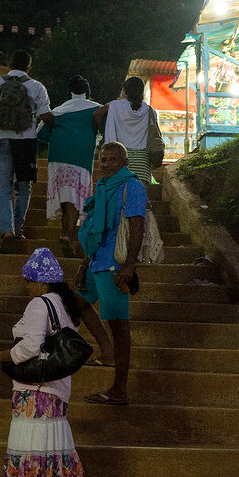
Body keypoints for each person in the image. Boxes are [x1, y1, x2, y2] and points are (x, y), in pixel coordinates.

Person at [0, 248, 91, 477]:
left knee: (30, 455)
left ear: (42, 282)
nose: (25, 284)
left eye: (29, 279)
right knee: (53, 450)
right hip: (56, 391)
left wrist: (0, 356)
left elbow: (31, 347)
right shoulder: (64, 305)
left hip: (35, 391)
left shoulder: (39, 304)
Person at [75, 142, 146, 406]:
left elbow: (137, 226)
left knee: (119, 327)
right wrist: (84, 264)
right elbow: (94, 228)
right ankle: (106, 351)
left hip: (114, 266)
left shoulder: (132, 187)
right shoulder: (102, 186)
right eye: (103, 159)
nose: (106, 164)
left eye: (113, 160)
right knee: (75, 304)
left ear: (124, 162)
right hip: (96, 262)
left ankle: (120, 389)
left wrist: (129, 267)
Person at [0, 49, 50, 253]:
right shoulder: (36, 86)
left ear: (9, 65)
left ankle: (7, 231)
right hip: (26, 142)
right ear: (29, 68)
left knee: (1, 187)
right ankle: (18, 228)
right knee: (23, 187)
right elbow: (45, 115)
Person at [37, 76, 101, 257]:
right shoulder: (96, 108)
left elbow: (41, 133)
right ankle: (68, 235)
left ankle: (65, 233)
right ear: (87, 91)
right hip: (80, 157)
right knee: (73, 197)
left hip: (57, 156)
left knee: (65, 197)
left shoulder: (59, 110)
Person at [93, 75, 152, 188]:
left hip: (118, 160)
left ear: (125, 91)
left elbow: (97, 114)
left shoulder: (114, 105)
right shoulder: (149, 111)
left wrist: (103, 131)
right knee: (138, 201)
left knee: (117, 201)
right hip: (142, 162)